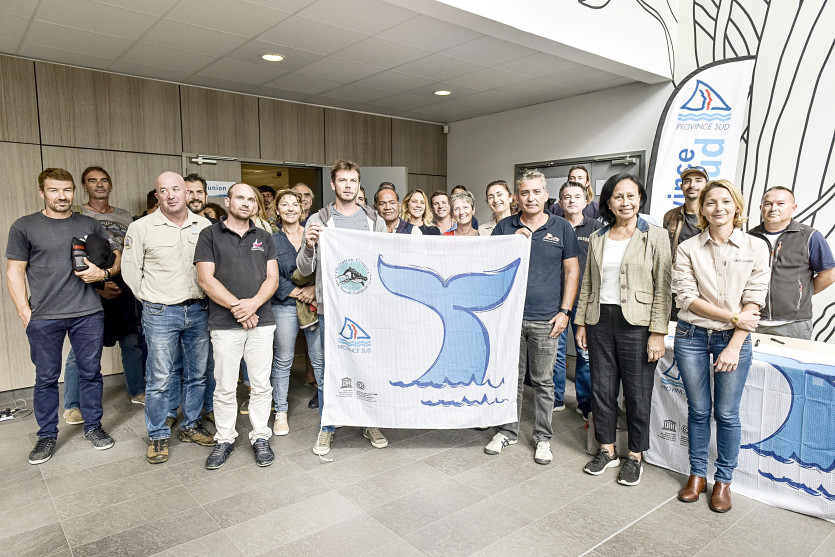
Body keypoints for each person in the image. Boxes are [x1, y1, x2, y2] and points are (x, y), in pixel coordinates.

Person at [6, 168, 119, 464]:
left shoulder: (89, 224)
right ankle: (46, 435)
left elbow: (115, 257)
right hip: (45, 316)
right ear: (42, 192)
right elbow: (14, 270)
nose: (61, 196)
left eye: (67, 190)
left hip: (88, 313)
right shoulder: (25, 226)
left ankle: (93, 427)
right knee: (45, 378)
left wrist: (103, 274)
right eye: (54, 190)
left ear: (74, 192)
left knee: (90, 373)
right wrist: (24, 311)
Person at [673, 180, 770, 512]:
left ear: (736, 207)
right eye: (711, 202)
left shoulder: (755, 246)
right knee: (698, 410)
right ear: (702, 209)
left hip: (734, 339)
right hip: (691, 336)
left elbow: (754, 302)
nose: (719, 208)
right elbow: (687, 298)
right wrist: (733, 316)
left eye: (725, 201)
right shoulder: (688, 248)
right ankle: (697, 475)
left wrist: (734, 344)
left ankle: (724, 481)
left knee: (727, 414)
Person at [575, 173, 671, 486]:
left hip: (638, 325)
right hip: (599, 321)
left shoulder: (655, 236)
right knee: (602, 390)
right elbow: (588, 283)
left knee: (637, 393)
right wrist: (581, 322)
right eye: (618, 196)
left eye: (631, 196)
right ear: (608, 202)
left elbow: (663, 287)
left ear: (640, 199)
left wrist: (658, 332)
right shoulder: (598, 236)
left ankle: (635, 456)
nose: (625, 202)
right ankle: (606, 449)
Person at [485, 170, 580, 465]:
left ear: (546, 195)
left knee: (543, 382)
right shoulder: (505, 226)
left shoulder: (561, 227)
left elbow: (572, 271)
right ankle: (507, 431)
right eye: (525, 192)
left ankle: (543, 437)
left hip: (546, 319)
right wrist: (510, 244)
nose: (531, 198)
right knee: (510, 379)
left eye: (536, 192)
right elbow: (489, 266)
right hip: (510, 318)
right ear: (517, 197)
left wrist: (565, 312)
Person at [122, 171, 215, 464]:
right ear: (157, 195)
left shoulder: (204, 226)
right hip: (160, 312)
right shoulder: (141, 228)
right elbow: (130, 271)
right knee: (160, 377)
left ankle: (191, 426)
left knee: (197, 375)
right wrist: (151, 299)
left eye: (176, 189)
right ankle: (158, 435)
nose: (171, 195)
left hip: (198, 310)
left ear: (186, 193)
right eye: (164, 190)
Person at [297, 159, 388, 455]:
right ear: (333, 184)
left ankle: (369, 421)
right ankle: (328, 425)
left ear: (359, 185)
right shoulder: (319, 219)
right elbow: (304, 268)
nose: (348, 186)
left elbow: (385, 261)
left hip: (367, 309)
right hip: (332, 310)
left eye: (353, 181)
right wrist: (309, 246)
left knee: (368, 367)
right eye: (342, 180)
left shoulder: (373, 219)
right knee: (329, 370)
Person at [195, 183, 279, 470]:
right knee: (225, 386)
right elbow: (205, 280)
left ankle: (260, 436)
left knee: (261, 384)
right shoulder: (209, 235)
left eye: (251, 199)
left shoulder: (265, 237)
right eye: (240, 198)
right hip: (224, 324)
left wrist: (253, 305)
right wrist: (239, 309)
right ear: (228, 201)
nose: (246, 203)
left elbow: (272, 278)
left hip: (261, 322)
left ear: (256, 205)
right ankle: (225, 438)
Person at [61, 167, 145, 430]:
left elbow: (130, 252)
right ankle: (72, 404)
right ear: (84, 186)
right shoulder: (78, 216)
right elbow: (69, 260)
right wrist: (98, 287)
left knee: (131, 342)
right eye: (92, 181)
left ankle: (137, 390)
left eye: (104, 180)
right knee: (82, 348)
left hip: (124, 287)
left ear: (110, 185)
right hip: (90, 288)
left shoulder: (124, 216)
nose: (99, 185)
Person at [748, 187, 835, 339]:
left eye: (780, 203)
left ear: (793, 208)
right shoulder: (749, 237)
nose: (773, 208)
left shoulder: (810, 236)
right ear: (761, 208)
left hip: (794, 325)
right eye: (768, 204)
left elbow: (829, 274)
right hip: (752, 320)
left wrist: (800, 294)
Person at [270, 190, 322, 437]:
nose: (290, 208)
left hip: (314, 303)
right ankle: (280, 411)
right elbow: (269, 275)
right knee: (283, 359)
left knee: (319, 358)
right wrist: (299, 292)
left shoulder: (314, 235)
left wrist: (314, 290)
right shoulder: (270, 240)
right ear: (277, 211)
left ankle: (329, 409)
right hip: (285, 305)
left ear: (302, 210)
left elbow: (324, 267)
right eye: (285, 204)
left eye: (295, 204)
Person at [553, 181, 603, 419]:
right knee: (556, 351)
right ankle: (555, 397)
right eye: (567, 197)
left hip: (585, 300)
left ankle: (585, 401)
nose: (571, 200)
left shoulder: (596, 229)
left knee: (584, 352)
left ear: (586, 201)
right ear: (560, 202)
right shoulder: (553, 225)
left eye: (576, 196)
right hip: (557, 299)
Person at [663, 167, 709, 321]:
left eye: (698, 180)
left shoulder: (713, 216)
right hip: (675, 287)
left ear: (706, 186)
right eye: (687, 181)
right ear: (681, 186)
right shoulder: (670, 216)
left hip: (704, 289)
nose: (692, 185)